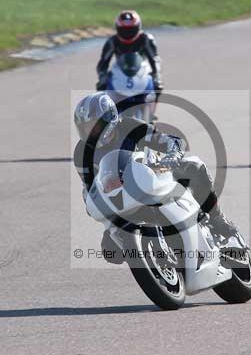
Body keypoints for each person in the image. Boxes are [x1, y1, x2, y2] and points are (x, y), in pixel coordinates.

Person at [73, 92, 237, 249]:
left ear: (109, 118)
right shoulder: (81, 153)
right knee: (111, 250)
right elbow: (89, 188)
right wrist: (92, 204)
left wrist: (172, 156)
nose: (90, 132)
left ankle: (217, 219)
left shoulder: (129, 127)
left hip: (155, 176)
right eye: (86, 128)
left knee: (195, 166)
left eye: (94, 126)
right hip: (122, 199)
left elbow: (170, 141)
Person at [96, 10, 163, 92]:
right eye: (124, 30)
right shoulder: (112, 41)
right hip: (119, 74)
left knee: (155, 91)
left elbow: (155, 60)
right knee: (102, 94)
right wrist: (103, 79)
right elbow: (103, 63)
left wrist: (157, 78)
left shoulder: (146, 39)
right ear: (118, 28)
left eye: (131, 30)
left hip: (142, 74)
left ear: (138, 27)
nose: (127, 33)